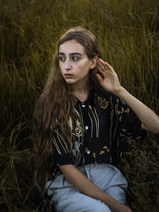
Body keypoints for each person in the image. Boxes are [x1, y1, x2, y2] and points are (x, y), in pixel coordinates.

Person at [33, 27, 159, 212]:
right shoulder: (51, 104)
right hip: (68, 183)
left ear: (93, 62)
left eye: (75, 58)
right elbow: (66, 167)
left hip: (107, 178)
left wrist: (119, 90)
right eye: (62, 58)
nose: (66, 65)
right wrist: (116, 205)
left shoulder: (107, 100)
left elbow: (154, 125)